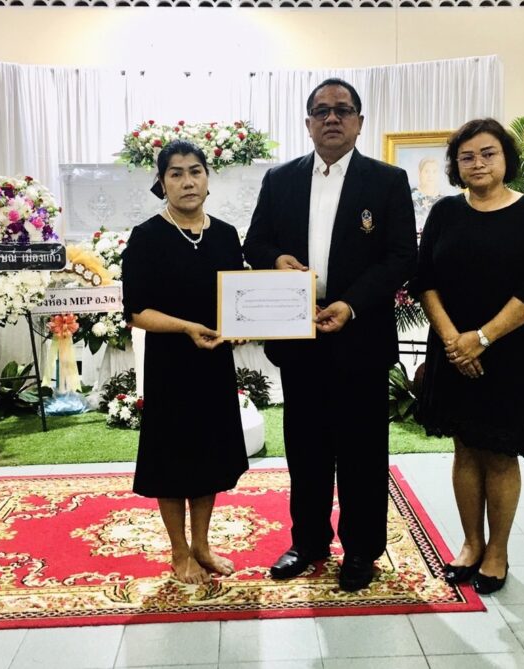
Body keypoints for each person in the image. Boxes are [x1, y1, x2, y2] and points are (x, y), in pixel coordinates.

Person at [244, 78, 417, 592]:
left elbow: (401, 256)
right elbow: (255, 242)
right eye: (322, 111)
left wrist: (351, 304)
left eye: (343, 110)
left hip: (360, 338)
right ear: (308, 123)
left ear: (360, 121)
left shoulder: (387, 181)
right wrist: (277, 259)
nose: (332, 118)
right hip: (299, 338)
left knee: (363, 452)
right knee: (306, 449)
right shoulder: (280, 179)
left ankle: (362, 549)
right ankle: (309, 542)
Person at [410, 118, 524, 595]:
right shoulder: (445, 213)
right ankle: (471, 544)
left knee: (499, 453)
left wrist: (482, 338)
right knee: (464, 448)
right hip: (452, 348)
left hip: (506, 353)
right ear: (456, 165)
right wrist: (454, 340)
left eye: (487, 153)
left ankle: (497, 551)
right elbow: (425, 280)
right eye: (467, 156)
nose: (477, 163)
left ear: (506, 158)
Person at [122, 139, 249, 585]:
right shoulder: (147, 236)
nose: (187, 181)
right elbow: (136, 311)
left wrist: (240, 325)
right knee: (172, 459)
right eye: (175, 173)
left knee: (210, 457)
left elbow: (237, 297)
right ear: (162, 183)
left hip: (214, 364)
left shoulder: (226, 234)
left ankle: (202, 546)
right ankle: (179, 551)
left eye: (195, 171)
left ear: (207, 179)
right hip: (171, 365)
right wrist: (186, 327)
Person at [411, 157, 443, 235]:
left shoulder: (443, 200)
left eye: (434, 172)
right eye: (426, 171)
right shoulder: (409, 195)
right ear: (419, 173)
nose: (430, 175)